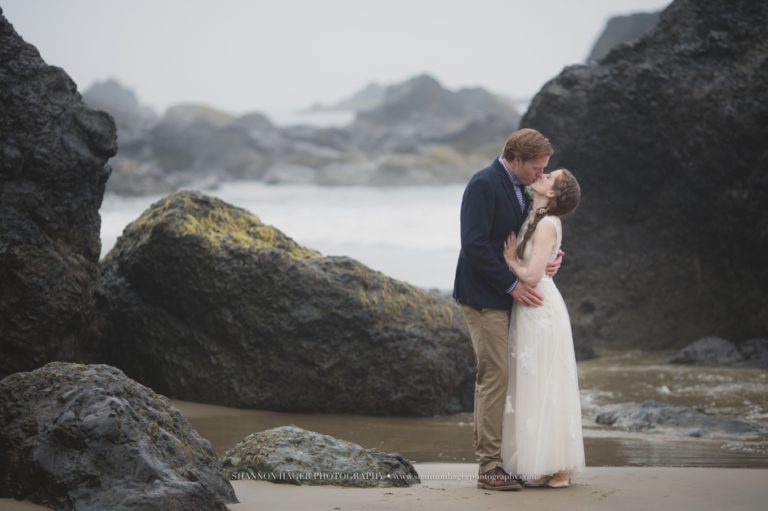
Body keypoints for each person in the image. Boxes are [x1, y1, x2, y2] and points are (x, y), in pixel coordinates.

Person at [453, 128, 563, 491]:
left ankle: (515, 459)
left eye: (544, 168)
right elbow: (474, 245)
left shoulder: (522, 187)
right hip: (483, 296)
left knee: (514, 377)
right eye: (536, 167)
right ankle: (489, 467)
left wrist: (547, 257)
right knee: (495, 376)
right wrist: (513, 284)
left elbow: (526, 234)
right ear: (515, 159)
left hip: (510, 298)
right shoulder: (483, 184)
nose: (540, 174)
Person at [500, 168, 585, 488]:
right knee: (532, 383)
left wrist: (510, 260)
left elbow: (533, 276)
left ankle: (558, 465)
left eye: (550, 176)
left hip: (539, 307)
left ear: (552, 193)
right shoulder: (532, 214)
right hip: (529, 308)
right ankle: (538, 461)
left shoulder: (548, 223)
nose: (543, 174)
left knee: (546, 383)